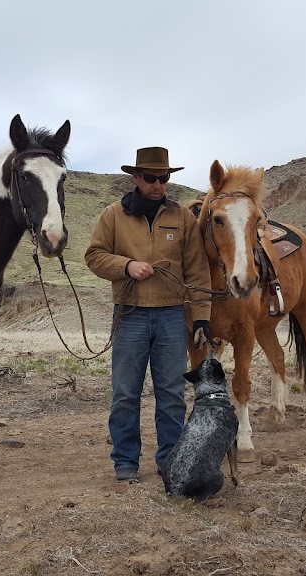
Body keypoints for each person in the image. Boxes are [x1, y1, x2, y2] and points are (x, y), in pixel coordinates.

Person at [85, 146, 213, 484]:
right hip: (130, 315)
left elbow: (198, 270)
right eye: (152, 178)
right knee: (125, 393)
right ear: (136, 178)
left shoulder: (182, 218)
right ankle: (125, 461)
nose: (159, 184)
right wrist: (125, 266)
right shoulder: (112, 215)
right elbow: (94, 256)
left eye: (164, 178)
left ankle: (170, 459)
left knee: (171, 393)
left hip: (172, 315)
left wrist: (201, 316)